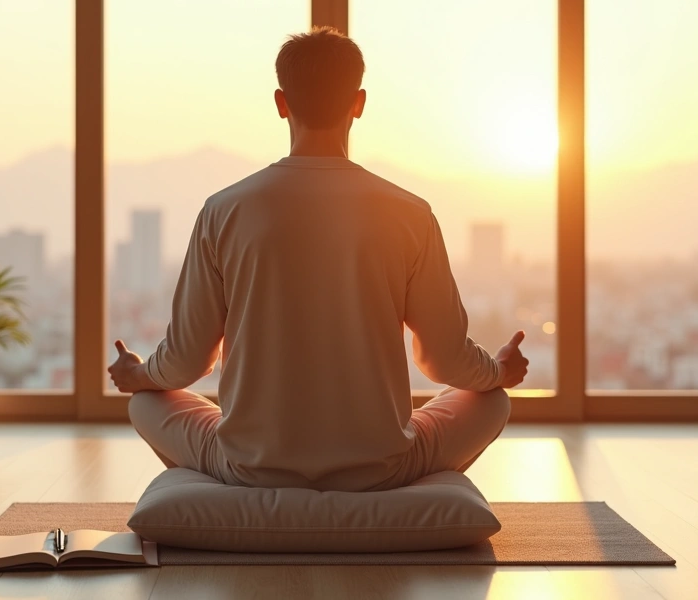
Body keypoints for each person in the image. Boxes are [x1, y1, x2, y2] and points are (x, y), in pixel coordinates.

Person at [108, 27, 530, 492]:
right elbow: (444, 360)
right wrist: (498, 371)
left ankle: (252, 504)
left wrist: (141, 374)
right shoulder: (410, 213)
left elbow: (188, 361)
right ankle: (374, 506)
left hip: (248, 466)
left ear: (280, 102)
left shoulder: (224, 210)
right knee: (493, 402)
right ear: (360, 102)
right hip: (381, 466)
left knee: (144, 402)